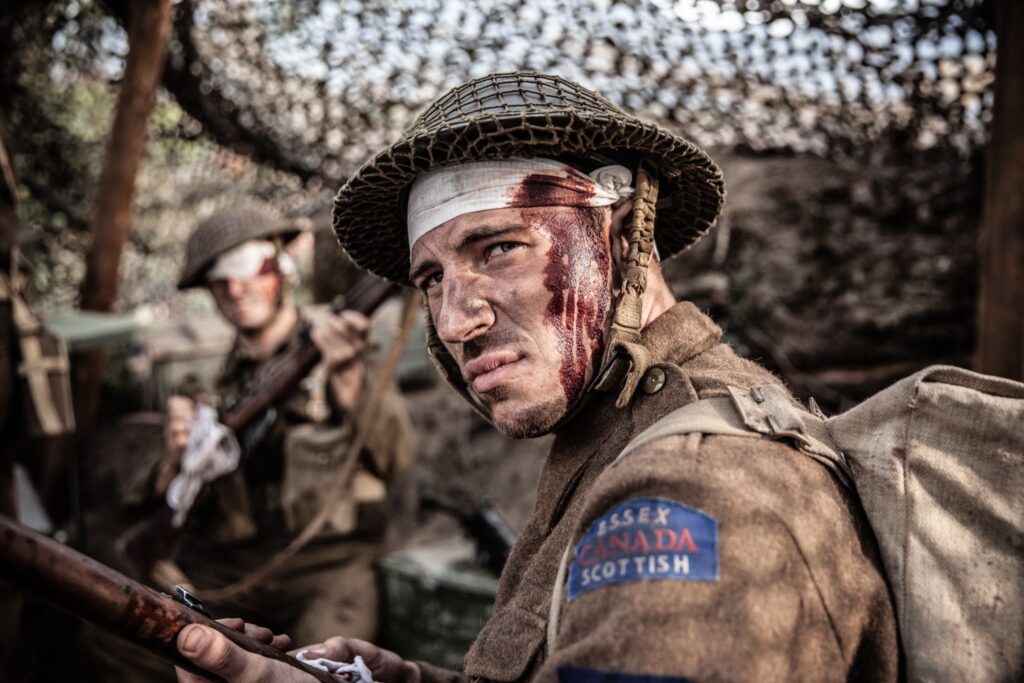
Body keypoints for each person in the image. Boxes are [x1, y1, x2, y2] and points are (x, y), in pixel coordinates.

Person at [174, 74, 898, 682]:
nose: (455, 322)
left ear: (621, 241)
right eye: (432, 278)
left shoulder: (697, 488)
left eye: (498, 249)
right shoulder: (614, 431)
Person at [126, 205, 412, 667]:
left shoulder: (344, 349)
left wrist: (348, 378)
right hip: (232, 567)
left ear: (281, 269)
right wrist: (179, 456)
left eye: (249, 269)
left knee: (326, 665)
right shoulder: (205, 389)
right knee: (148, 647)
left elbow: (397, 458)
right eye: (219, 280)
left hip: (326, 567)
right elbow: (165, 494)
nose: (236, 289)